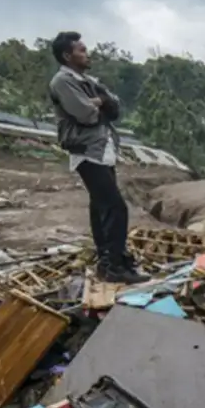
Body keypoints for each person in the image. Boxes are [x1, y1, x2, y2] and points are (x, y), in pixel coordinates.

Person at [49, 31, 147, 284]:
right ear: (67, 55)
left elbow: (114, 108)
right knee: (116, 207)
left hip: (102, 149)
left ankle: (109, 260)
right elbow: (85, 115)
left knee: (101, 207)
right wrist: (99, 104)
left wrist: (100, 101)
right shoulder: (62, 81)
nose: (87, 53)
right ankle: (113, 265)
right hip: (86, 151)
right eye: (81, 50)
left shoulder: (87, 80)